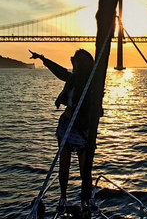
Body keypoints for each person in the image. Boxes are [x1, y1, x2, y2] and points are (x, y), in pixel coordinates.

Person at [29, 49, 96, 215]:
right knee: (64, 164)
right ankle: (63, 198)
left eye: (74, 60)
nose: (71, 61)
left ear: (81, 64)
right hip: (66, 125)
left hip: (82, 129)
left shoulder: (92, 83)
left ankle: (86, 199)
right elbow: (60, 72)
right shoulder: (72, 79)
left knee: (84, 168)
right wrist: (43, 59)